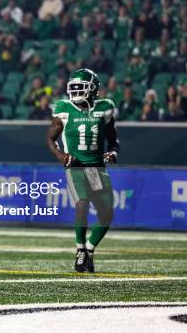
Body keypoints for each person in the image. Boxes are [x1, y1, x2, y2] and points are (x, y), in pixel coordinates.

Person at [47, 69, 119, 273]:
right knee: (82, 204)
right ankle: (79, 249)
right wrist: (61, 156)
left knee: (107, 214)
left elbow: (113, 140)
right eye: (74, 88)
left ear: (93, 88)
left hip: (97, 167)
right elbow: (50, 139)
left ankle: (89, 250)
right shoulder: (62, 108)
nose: (77, 92)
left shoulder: (105, 108)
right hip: (75, 166)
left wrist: (112, 152)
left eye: (82, 88)